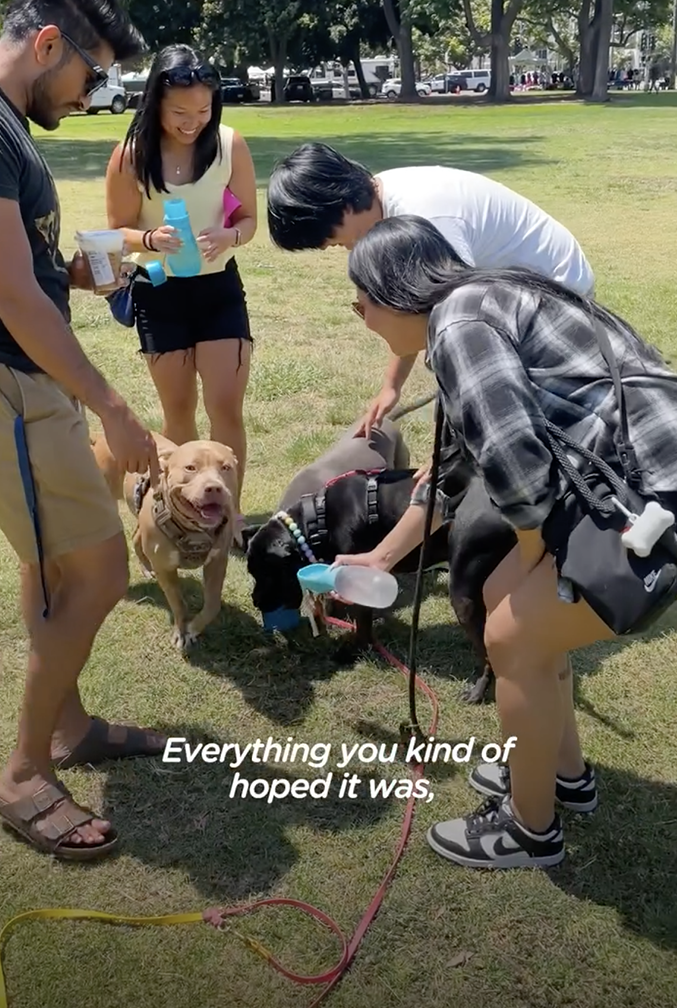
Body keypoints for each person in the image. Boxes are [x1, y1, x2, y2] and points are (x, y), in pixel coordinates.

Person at [347, 214, 677, 869]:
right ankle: (563, 776)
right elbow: (453, 469)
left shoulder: (460, 326)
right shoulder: (497, 293)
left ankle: (529, 832)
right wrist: (388, 557)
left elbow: (513, 464)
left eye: (358, 304)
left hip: (652, 501)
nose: (361, 319)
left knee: (510, 635)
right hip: (631, 485)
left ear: (393, 293)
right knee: (505, 599)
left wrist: (532, 562)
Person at [0, 0, 165, 861]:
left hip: (28, 382)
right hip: (16, 386)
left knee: (59, 571)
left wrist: (72, 268)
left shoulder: (9, 130)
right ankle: (25, 771)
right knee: (100, 572)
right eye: (92, 74)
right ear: (48, 44)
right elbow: (9, 299)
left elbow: (23, 274)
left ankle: (67, 728)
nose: (93, 92)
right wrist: (112, 408)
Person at [267, 142, 594, 569]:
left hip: (551, 296)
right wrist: (391, 386)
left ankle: (545, 543)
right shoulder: (382, 200)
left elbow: (459, 338)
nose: (337, 248)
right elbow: (415, 310)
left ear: (342, 205)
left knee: (511, 434)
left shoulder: (426, 218)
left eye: (329, 238)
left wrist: (447, 452)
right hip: (511, 296)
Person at [106, 45, 257, 513]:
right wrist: (149, 238)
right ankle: (181, 514)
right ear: (154, 102)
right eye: (179, 112)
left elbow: (250, 220)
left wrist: (229, 234)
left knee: (226, 407)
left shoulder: (230, 144)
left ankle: (229, 517)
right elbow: (116, 233)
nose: (193, 121)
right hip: (159, 291)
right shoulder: (131, 156)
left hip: (218, 291)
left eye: (203, 110)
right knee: (179, 411)